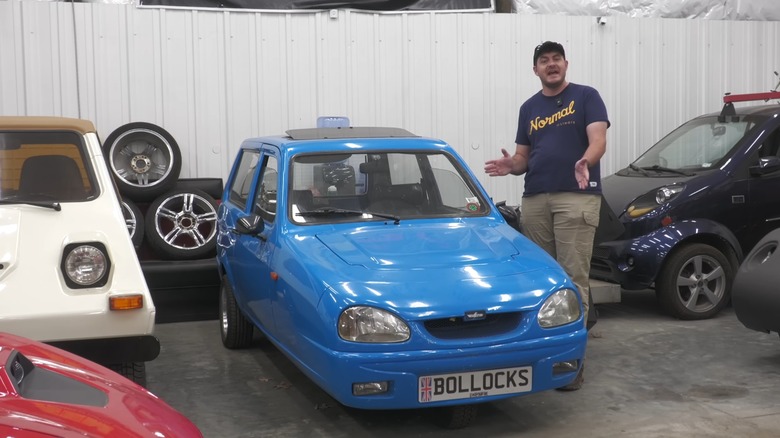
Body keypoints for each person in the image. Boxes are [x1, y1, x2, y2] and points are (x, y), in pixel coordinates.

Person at [484, 41, 610, 391]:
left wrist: (587, 159)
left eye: (556, 59)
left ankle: (572, 362)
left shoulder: (586, 97)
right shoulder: (529, 108)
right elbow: (524, 156)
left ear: (566, 64)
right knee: (542, 281)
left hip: (576, 197)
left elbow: (598, 139)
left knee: (572, 277)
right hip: (535, 198)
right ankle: (545, 355)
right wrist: (513, 166)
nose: (551, 64)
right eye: (544, 60)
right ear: (536, 69)